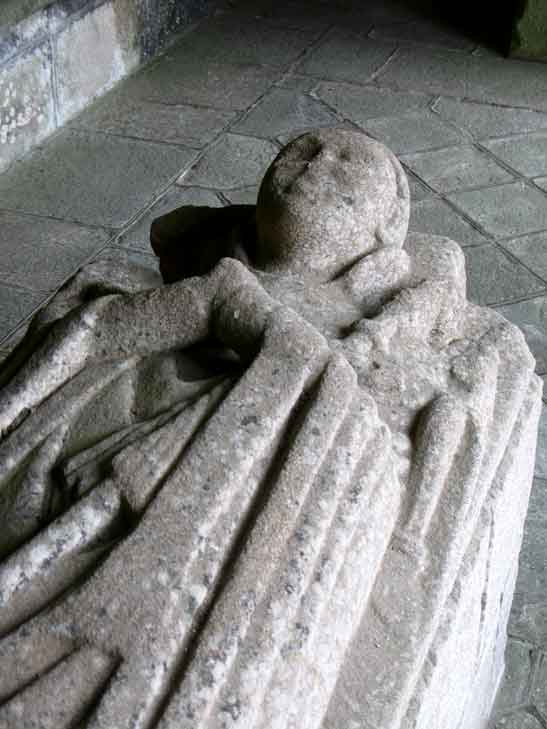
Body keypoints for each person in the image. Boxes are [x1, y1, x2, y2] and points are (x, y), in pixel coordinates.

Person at [0, 130, 535, 729]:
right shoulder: (190, 273)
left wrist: (272, 337)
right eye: (304, 149)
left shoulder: (384, 333)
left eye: (349, 163)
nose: (316, 163)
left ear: (388, 224)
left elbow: (384, 445)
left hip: (166, 520)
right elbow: (90, 329)